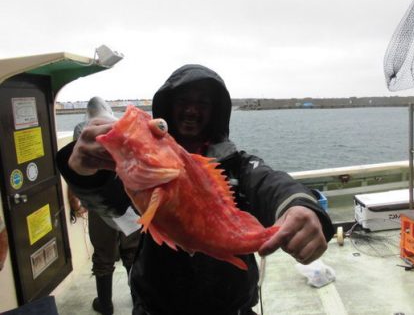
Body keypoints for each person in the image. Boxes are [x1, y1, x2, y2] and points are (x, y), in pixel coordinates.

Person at [57, 65, 335, 315]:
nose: (192, 109)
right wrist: (82, 170)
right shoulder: (139, 171)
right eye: (183, 101)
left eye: (203, 103)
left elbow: (270, 182)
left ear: (216, 113)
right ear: (167, 107)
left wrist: (300, 206)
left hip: (233, 308)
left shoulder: (238, 164)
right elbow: (109, 202)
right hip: (155, 308)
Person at [66, 97, 141, 315]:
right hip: (128, 201)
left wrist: (75, 202)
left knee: (103, 256)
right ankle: (137, 300)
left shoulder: (81, 128)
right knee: (131, 252)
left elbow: (75, 172)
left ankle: (105, 305)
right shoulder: (121, 126)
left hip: (99, 206)